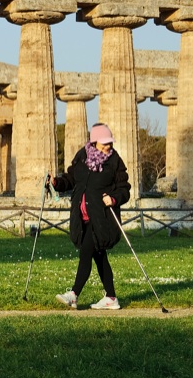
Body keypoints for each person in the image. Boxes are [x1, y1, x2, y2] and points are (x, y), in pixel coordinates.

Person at [48, 122, 131, 310]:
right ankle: (111, 298)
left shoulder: (114, 161)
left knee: (86, 252)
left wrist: (114, 199)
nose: (108, 146)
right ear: (93, 142)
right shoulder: (82, 156)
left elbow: (124, 189)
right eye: (104, 143)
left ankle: (74, 294)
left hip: (102, 218)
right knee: (99, 256)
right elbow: (70, 180)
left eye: (109, 143)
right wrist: (55, 182)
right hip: (82, 216)